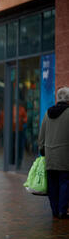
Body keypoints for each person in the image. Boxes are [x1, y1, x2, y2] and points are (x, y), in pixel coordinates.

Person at [38, 86, 69, 219]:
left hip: (50, 156)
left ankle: (55, 211)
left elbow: (41, 135)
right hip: (64, 156)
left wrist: (42, 150)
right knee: (65, 183)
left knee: (53, 184)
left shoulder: (47, 113)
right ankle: (62, 211)